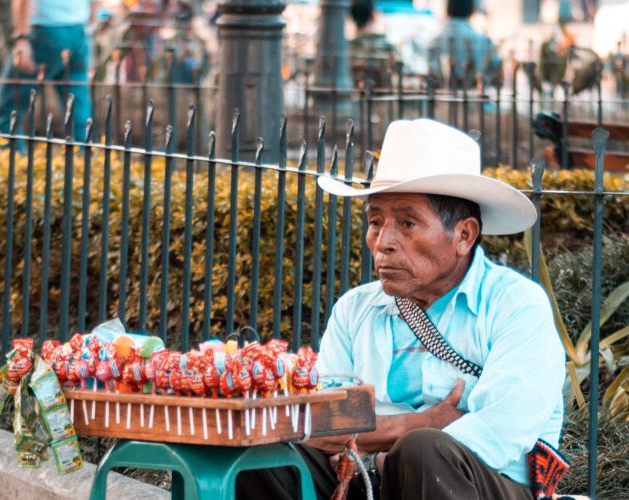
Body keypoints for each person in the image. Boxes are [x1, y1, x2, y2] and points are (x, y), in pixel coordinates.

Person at [237, 119, 567, 500]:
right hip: (361, 473)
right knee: (261, 454)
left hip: (480, 485)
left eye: (407, 223)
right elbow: (322, 424)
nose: (384, 242)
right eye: (376, 221)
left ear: (464, 235)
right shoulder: (355, 309)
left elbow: (499, 434)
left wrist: (388, 454)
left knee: (425, 452)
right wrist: (417, 423)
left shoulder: (515, 305)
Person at [1, 0, 94, 140]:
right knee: (77, 105)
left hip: (44, 29)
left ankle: (10, 155)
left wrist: (22, 38)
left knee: (10, 105)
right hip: (78, 29)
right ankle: (85, 156)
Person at [428, 0, 501, 88]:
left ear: (447, 9)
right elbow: (497, 74)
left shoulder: (433, 42)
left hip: (441, 99)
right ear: (472, 10)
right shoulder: (485, 42)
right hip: (476, 99)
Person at [348, 0, 395, 86]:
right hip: (380, 96)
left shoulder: (346, 48)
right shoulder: (386, 47)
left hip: (351, 96)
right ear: (373, 16)